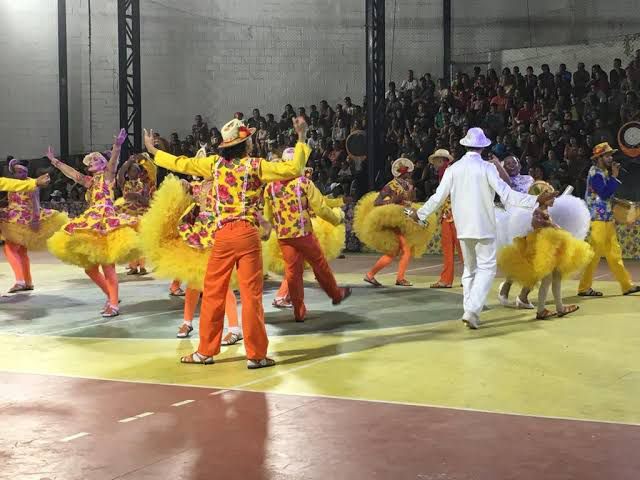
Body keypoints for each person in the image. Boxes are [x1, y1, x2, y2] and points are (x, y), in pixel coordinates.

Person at [143, 117, 311, 369]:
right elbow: (293, 170)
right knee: (251, 296)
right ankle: (256, 355)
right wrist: (300, 137)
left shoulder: (214, 165)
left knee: (212, 293)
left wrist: (154, 151)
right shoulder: (256, 166)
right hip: (247, 235)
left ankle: (205, 352)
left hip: (222, 235)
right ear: (246, 144)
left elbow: (183, 164)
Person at [410, 128, 548, 329]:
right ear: (483, 147)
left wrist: (420, 213)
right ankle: (472, 310)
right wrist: (536, 199)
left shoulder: (453, 169)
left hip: (463, 226)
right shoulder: (487, 168)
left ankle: (469, 309)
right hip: (484, 226)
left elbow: (438, 197)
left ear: (465, 145)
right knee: (486, 269)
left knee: (469, 269)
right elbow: (507, 195)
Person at [46, 130, 140, 317]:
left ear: (103, 164)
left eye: (96, 160)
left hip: (106, 218)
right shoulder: (90, 181)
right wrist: (55, 161)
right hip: (92, 219)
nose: (92, 163)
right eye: (91, 162)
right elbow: (73, 174)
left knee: (107, 264)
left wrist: (117, 147)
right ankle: (111, 296)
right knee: (90, 268)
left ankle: (113, 304)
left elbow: (113, 164)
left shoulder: (107, 177)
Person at [263, 150, 351, 322]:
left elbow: (268, 216)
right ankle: (336, 294)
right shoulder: (303, 183)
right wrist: (336, 219)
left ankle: (299, 310)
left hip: (283, 236)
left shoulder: (271, 187)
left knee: (293, 273)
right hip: (303, 234)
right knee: (319, 264)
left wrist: (268, 232)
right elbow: (321, 209)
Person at [498, 183, 593, 320]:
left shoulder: (545, 211)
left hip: (550, 247)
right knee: (548, 279)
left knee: (556, 278)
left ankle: (559, 307)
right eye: (550, 196)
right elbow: (538, 225)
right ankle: (541, 310)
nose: (554, 198)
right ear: (540, 198)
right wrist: (552, 225)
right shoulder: (538, 212)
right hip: (543, 248)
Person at [357, 158, 435, 287]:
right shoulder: (390, 186)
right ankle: (399, 278)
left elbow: (410, 201)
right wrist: (393, 200)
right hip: (394, 219)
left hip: (405, 215)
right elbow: (377, 202)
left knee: (394, 252)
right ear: (403, 173)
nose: (410, 174)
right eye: (408, 172)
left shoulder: (408, 185)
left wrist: (411, 193)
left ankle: (371, 275)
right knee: (405, 250)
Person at [577, 142, 640, 297]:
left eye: (611, 155)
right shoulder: (595, 173)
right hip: (597, 219)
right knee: (594, 254)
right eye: (607, 155)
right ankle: (584, 288)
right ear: (599, 158)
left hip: (606, 219)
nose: (611, 158)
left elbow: (606, 196)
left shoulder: (603, 172)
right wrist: (615, 177)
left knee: (614, 253)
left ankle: (626, 285)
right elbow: (604, 194)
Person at [0, 161, 61, 293]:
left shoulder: (31, 183)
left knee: (9, 249)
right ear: (13, 173)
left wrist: (36, 218)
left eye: (25, 171)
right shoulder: (13, 184)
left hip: (22, 218)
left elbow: (35, 202)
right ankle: (27, 282)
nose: (24, 174)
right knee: (21, 251)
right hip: (13, 216)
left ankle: (20, 281)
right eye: (20, 172)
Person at [115, 153, 156, 275]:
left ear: (139, 174)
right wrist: (128, 161)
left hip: (140, 214)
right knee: (131, 242)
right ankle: (133, 266)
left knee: (141, 240)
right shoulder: (124, 184)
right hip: (126, 214)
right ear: (128, 173)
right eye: (131, 171)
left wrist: (138, 197)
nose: (134, 173)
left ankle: (142, 266)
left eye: (136, 171)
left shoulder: (144, 185)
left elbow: (147, 201)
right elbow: (120, 174)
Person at [427, 149, 463, 289]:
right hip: (450, 214)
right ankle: (452, 279)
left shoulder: (448, 172)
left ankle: (447, 280)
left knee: (456, 249)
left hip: (454, 214)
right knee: (457, 249)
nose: (434, 164)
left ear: (441, 160)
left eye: (436, 161)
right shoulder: (446, 172)